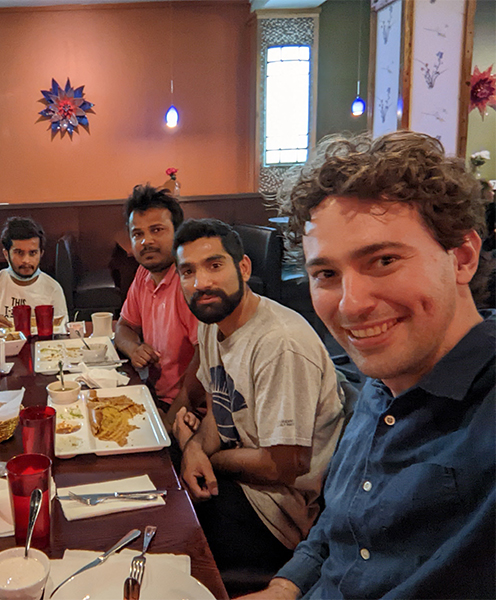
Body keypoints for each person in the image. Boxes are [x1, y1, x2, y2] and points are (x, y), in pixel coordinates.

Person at [241, 131, 495, 599]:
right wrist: (283, 587)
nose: (351, 305)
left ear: (461, 257)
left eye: (383, 260)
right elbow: (338, 525)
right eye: (326, 275)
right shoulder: (381, 382)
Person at [174, 218, 343, 574]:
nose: (201, 283)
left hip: (277, 515)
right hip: (241, 486)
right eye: (187, 271)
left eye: (214, 265)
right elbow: (219, 417)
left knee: (166, 539)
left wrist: (209, 461)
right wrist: (192, 451)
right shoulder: (212, 323)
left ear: (244, 267)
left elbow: (282, 465)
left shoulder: (279, 343)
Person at [114, 185, 199, 412]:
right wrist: (134, 349)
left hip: (188, 409)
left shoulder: (189, 283)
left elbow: (206, 362)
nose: (146, 241)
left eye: (157, 230)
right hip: (152, 394)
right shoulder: (144, 274)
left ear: (177, 232)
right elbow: (123, 327)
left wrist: (170, 423)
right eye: (138, 234)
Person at [0, 217, 67, 328]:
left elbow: (62, 330)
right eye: (19, 253)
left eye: (33, 253)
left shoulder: (53, 288)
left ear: (41, 253)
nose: (26, 260)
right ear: (6, 254)